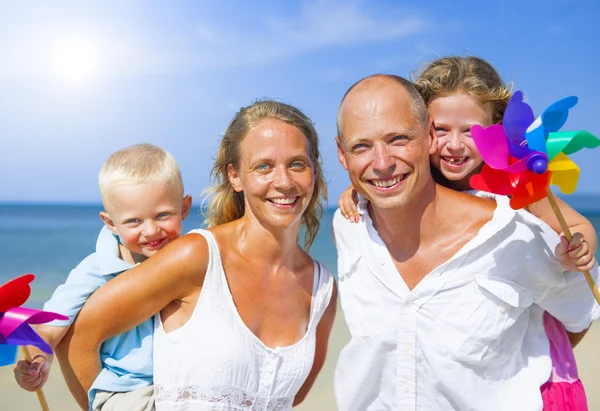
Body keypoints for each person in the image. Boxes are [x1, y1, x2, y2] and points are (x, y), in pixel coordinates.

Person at [337, 56, 597, 410]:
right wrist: (358, 190)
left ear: (498, 129)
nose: (454, 145)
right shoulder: (385, 194)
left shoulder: (512, 198)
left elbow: (578, 249)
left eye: (472, 132)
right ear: (425, 129)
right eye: (442, 130)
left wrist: (578, 249)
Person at [63, 100, 337, 410]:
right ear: (234, 176)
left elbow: (291, 399)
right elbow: (81, 337)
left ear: (315, 170)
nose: (284, 181)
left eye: (297, 164)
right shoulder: (196, 257)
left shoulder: (323, 290)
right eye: (264, 166)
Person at [13, 143, 192, 410]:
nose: (152, 230)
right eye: (134, 221)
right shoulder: (96, 269)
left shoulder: (192, 256)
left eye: (163, 215)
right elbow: (51, 325)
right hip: (129, 391)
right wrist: (38, 359)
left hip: (185, 382)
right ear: (110, 223)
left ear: (184, 208)